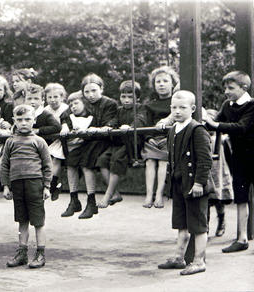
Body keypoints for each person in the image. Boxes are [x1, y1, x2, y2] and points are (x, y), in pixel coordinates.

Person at [158, 90, 212, 275]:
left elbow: (205, 160)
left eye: (182, 107)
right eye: (174, 107)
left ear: (193, 108)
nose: (177, 111)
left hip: (194, 185)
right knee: (181, 223)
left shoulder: (197, 130)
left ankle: (199, 260)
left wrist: (199, 183)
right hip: (179, 184)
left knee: (198, 225)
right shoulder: (173, 130)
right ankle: (179, 257)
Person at [203, 71, 254, 252]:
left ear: (244, 88)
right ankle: (242, 238)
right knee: (241, 198)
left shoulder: (251, 106)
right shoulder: (227, 105)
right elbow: (215, 122)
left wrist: (215, 125)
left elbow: (241, 127)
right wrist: (205, 120)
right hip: (239, 158)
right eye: (225, 87)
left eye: (231, 88)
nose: (226, 91)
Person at [1, 104, 52, 269]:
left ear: (34, 120)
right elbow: (4, 165)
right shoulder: (10, 142)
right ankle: (22, 253)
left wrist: (47, 186)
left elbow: (47, 164)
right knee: (22, 220)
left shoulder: (39, 141)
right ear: (14, 121)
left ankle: (40, 253)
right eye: (20, 119)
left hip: (35, 184)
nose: (23, 123)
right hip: (17, 184)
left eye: (28, 119)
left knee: (38, 220)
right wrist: (6, 186)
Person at [73, 73, 117, 219]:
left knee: (87, 162)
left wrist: (97, 129)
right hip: (89, 140)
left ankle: (91, 202)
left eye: (94, 91)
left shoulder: (109, 103)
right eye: (87, 92)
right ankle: (78, 199)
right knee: (74, 160)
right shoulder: (82, 104)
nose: (90, 95)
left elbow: (111, 122)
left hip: (106, 140)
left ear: (101, 89)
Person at [97, 80, 146, 208]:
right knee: (101, 161)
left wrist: (130, 126)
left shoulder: (141, 108)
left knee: (117, 160)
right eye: (123, 97)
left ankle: (107, 195)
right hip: (118, 143)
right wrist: (109, 126)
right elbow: (114, 120)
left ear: (137, 97)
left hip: (130, 144)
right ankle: (115, 193)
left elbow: (140, 119)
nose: (126, 100)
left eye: (130, 97)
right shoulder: (119, 110)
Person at [141, 66, 179, 208]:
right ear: (154, 85)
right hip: (153, 139)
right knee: (150, 161)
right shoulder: (150, 105)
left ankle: (159, 194)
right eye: (158, 82)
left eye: (165, 81)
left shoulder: (176, 103)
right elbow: (147, 123)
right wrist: (149, 137)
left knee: (163, 162)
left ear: (172, 84)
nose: (161, 84)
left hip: (169, 138)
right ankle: (149, 194)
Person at [59, 91, 94, 217]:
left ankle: (91, 200)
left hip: (90, 145)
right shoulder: (69, 117)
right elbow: (64, 122)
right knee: (70, 164)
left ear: (84, 103)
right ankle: (74, 199)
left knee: (86, 165)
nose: (73, 106)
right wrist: (65, 128)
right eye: (71, 104)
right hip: (76, 147)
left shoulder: (92, 115)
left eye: (76, 103)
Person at [204, 109, 233, 237]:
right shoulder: (201, 136)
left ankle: (221, 220)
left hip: (219, 172)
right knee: (205, 201)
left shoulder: (220, 137)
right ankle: (205, 225)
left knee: (219, 200)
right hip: (206, 172)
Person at [44, 83, 69, 201]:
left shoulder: (66, 109)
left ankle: (52, 185)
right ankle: (50, 185)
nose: (52, 100)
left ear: (62, 97)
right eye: (49, 97)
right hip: (50, 140)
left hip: (63, 140)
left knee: (57, 158)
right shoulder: (45, 110)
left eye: (56, 97)